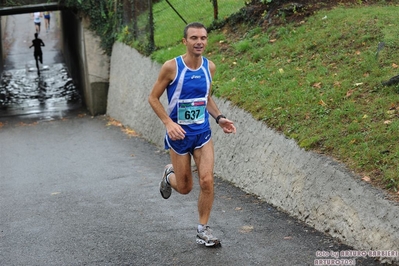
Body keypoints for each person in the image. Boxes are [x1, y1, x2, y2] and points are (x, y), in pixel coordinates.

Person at [148, 22, 236, 247]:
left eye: (203, 38)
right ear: (185, 41)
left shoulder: (210, 67)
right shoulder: (172, 67)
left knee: (206, 180)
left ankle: (203, 230)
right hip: (178, 137)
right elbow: (153, 98)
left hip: (202, 135)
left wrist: (219, 118)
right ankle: (169, 175)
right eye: (194, 38)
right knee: (185, 187)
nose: (199, 42)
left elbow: (205, 98)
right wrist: (168, 123)